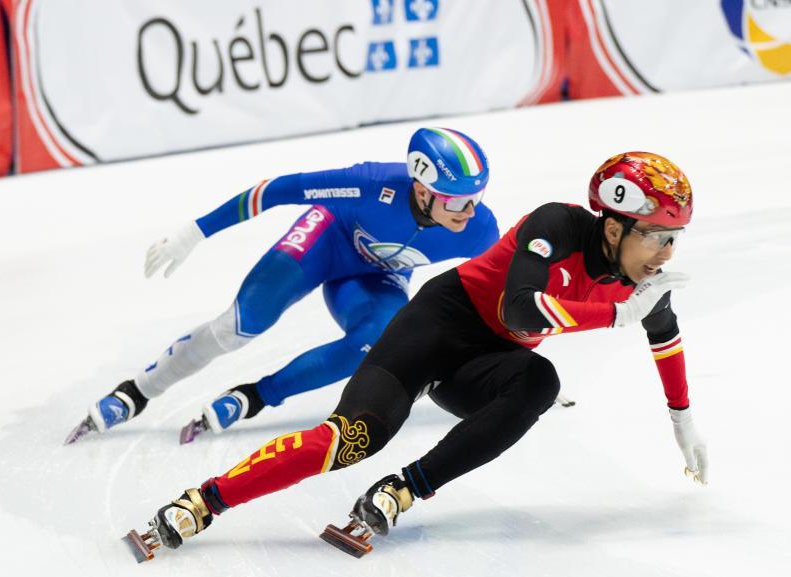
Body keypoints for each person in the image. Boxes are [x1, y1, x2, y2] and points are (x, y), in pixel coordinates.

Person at [126, 152, 708, 560]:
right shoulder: (554, 224)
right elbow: (521, 311)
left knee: (538, 384)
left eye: (673, 237)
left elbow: (667, 341)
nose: (666, 251)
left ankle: (404, 489)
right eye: (656, 234)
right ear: (612, 226)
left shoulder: (643, 285)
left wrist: (683, 424)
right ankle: (203, 502)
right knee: (350, 439)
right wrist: (613, 315)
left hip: (480, 366)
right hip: (435, 326)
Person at [66, 128, 499, 445]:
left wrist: (504, 374)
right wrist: (194, 233)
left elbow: (497, 297)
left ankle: (255, 396)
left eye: (475, 198)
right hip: (326, 238)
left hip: (372, 278)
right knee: (240, 326)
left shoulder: (479, 228)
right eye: (457, 200)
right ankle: (138, 391)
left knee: (379, 341)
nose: (468, 211)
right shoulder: (370, 184)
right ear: (422, 190)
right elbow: (273, 190)